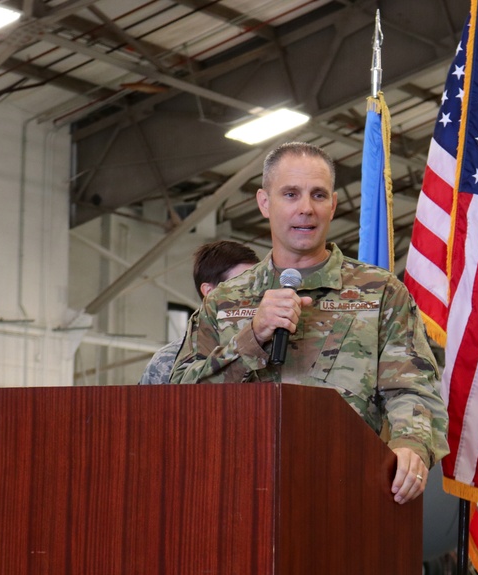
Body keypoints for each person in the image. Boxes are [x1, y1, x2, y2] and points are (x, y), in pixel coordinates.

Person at [171, 142, 448, 505]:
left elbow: (412, 390)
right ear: (264, 202)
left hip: (348, 494)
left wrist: (410, 444)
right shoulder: (224, 301)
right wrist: (251, 338)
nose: (306, 208)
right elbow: (177, 402)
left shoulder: (380, 293)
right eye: (290, 194)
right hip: (237, 496)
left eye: (318, 195)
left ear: (332, 205)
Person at [139, 240, 258, 384]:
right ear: (210, 293)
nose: (255, 296)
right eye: (241, 288)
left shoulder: (274, 350)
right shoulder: (167, 363)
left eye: (257, 286)